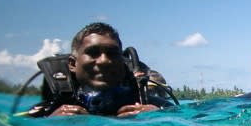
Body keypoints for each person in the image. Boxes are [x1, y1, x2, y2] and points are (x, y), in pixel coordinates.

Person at [25, 22, 173, 118]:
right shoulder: (48, 111)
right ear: (72, 64)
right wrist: (50, 123)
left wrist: (157, 118)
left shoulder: (153, 106)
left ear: (122, 62)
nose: (104, 61)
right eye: (93, 52)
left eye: (112, 53)